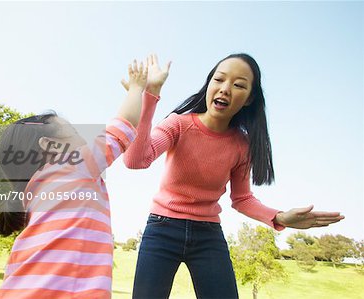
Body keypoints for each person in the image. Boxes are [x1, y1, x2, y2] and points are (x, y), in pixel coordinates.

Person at [122, 54, 345, 299]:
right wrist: (150, 95)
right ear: (209, 85)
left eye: (239, 85)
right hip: (162, 229)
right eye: (219, 79)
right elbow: (135, 160)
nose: (225, 89)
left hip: (208, 235)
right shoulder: (178, 125)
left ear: (249, 99)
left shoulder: (242, 145)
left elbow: (242, 199)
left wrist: (280, 217)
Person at [0, 59, 148, 299]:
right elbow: (122, 128)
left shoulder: (32, 195)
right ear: (51, 147)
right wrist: (137, 88)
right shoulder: (73, 165)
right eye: (74, 134)